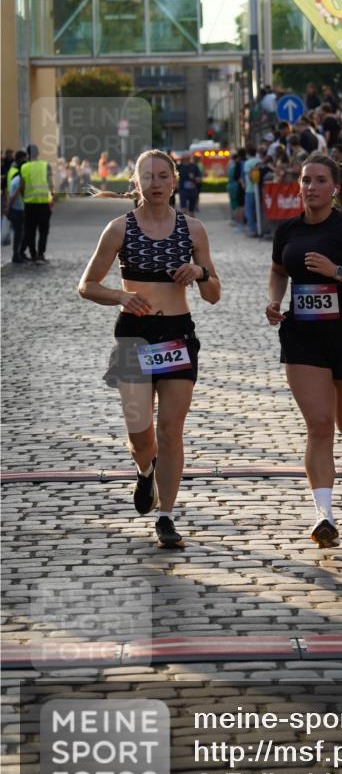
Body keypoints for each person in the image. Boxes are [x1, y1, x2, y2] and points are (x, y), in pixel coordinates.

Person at [78, 150, 221, 548]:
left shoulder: (193, 230)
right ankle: (145, 471)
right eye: (148, 176)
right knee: (141, 435)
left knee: (171, 429)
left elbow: (213, 294)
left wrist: (200, 272)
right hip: (134, 336)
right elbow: (87, 285)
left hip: (177, 335)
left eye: (162, 176)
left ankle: (166, 516)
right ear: (136, 183)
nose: (155, 183)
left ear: (174, 181)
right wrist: (121, 297)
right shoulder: (119, 229)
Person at [266, 152, 342, 548]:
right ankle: (324, 515)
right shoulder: (287, 230)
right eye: (306, 180)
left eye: (320, 180)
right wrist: (274, 300)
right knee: (319, 424)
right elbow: (278, 270)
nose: (311, 187)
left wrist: (336, 271)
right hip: (302, 337)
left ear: (335, 188)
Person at [20, 143, 54, 263]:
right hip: (44, 203)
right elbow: (51, 184)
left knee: (30, 230)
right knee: (43, 230)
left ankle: (33, 254)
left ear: (28, 154)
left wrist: (24, 197)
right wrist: (51, 198)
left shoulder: (24, 167)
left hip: (29, 204)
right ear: (38, 153)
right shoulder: (45, 165)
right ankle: (41, 254)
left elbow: (22, 186)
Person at [5, 149, 27, 262]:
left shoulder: (15, 176)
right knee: (19, 233)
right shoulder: (17, 180)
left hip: (19, 209)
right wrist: (7, 208)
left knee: (21, 233)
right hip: (16, 210)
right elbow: (11, 196)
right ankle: (16, 255)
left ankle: (19, 254)